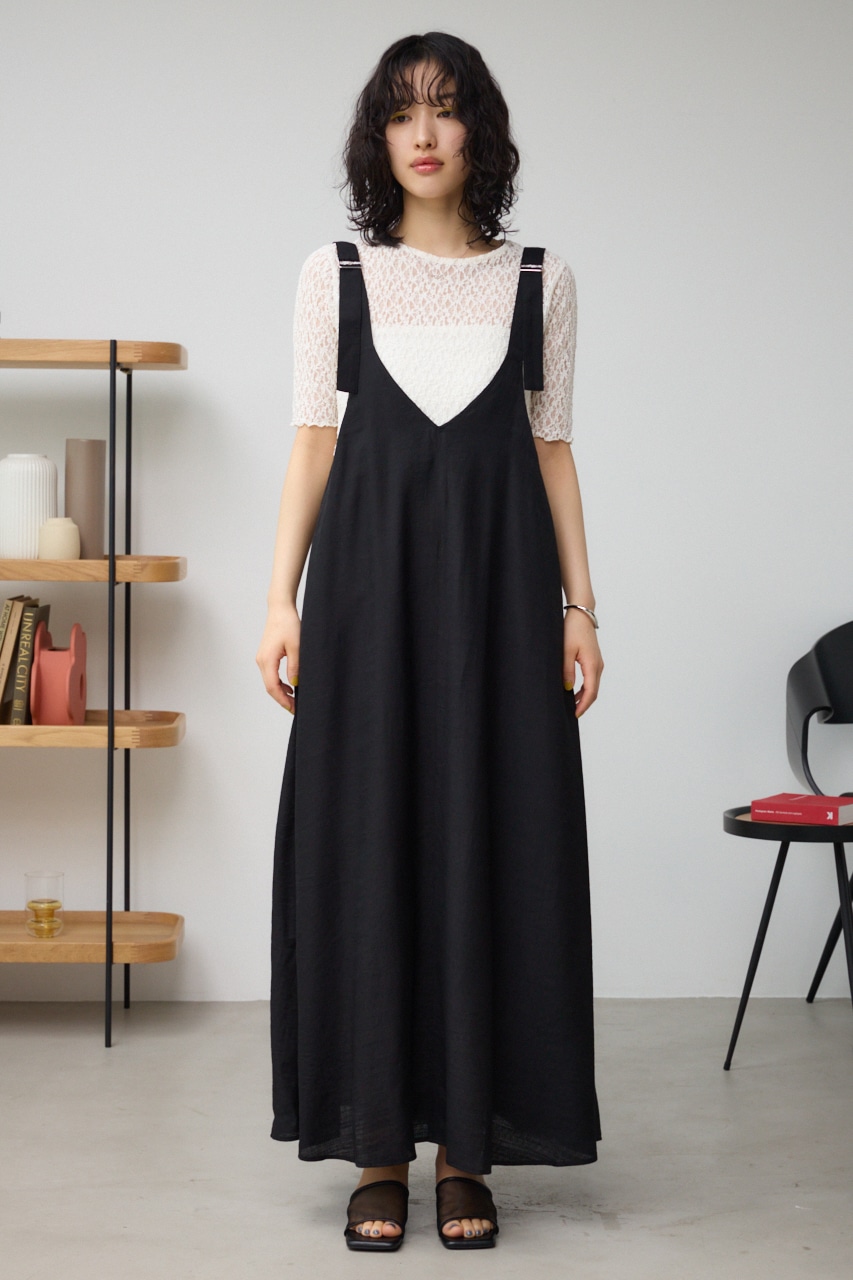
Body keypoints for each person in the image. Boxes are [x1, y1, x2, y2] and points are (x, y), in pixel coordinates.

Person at [256, 31, 603, 1253]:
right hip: (365, 601)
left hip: (501, 604)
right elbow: (313, 441)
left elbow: (552, 449)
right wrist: (281, 598)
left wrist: (580, 606)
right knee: (368, 839)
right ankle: (375, 1148)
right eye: (401, 111)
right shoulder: (337, 273)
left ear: (477, 131)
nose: (422, 132)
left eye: (445, 108)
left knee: (494, 838)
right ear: (378, 135)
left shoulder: (540, 281)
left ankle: (466, 1151)